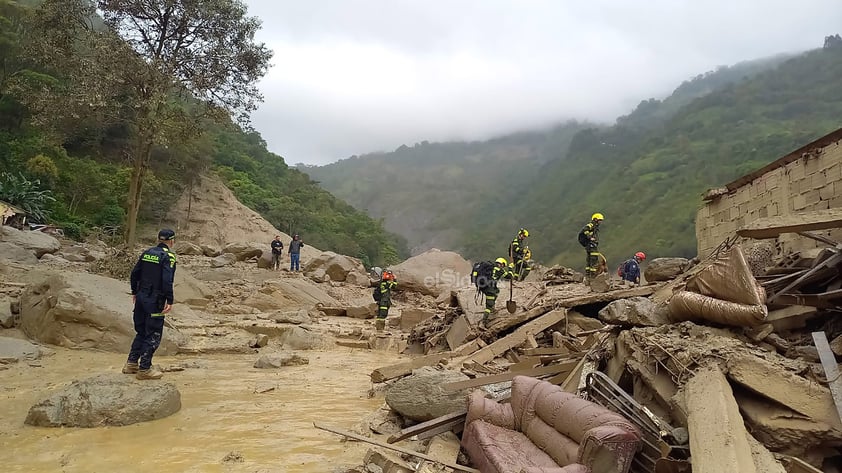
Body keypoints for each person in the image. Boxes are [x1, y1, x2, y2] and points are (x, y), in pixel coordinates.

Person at [123, 229, 177, 380]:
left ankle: (131, 363)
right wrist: (170, 300)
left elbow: (135, 273)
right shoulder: (169, 256)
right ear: (172, 241)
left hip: (140, 297)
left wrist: (134, 291)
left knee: (141, 331)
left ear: (158, 239)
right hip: (155, 300)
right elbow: (167, 281)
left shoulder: (147, 252)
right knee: (153, 333)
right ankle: (145, 368)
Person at [479, 257, 514, 326]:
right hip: (489, 288)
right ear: (501, 264)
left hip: (484, 287)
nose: (503, 267)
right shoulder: (499, 269)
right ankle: (483, 322)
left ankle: (492, 308)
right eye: (503, 265)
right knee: (489, 305)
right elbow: (509, 276)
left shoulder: (491, 267)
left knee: (496, 291)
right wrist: (510, 268)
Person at [578, 213, 604, 280]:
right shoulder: (591, 225)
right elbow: (585, 230)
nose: (600, 222)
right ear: (595, 219)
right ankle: (593, 276)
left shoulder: (594, 227)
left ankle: (588, 276)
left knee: (589, 261)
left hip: (589, 245)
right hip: (591, 245)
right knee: (593, 260)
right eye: (599, 220)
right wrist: (590, 238)